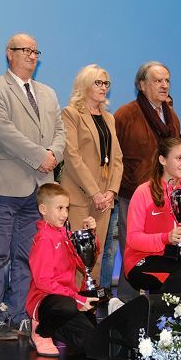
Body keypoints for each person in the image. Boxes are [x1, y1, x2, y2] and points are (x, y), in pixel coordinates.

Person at [0, 33, 65, 340]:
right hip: (4, 187)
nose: (31, 55)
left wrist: (54, 154)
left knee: (27, 258)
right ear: (8, 53)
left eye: (34, 51)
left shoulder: (48, 92)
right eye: (24, 50)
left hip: (39, 188)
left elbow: (60, 131)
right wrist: (40, 156)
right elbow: (3, 132)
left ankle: (19, 315)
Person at [112, 61, 180, 300]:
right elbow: (114, 157)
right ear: (142, 85)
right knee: (132, 251)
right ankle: (125, 303)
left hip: (164, 197)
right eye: (157, 81)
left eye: (167, 81)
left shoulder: (171, 115)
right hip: (133, 193)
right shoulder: (125, 114)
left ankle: (156, 305)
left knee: (160, 252)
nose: (164, 85)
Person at [59, 64, 123, 284]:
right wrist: (95, 192)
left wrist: (111, 191)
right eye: (98, 82)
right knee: (78, 253)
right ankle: (74, 302)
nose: (104, 87)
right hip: (79, 195)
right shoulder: (71, 114)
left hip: (105, 198)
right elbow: (72, 156)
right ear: (84, 85)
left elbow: (117, 159)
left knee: (96, 253)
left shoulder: (109, 118)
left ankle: (90, 303)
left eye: (106, 83)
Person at [25, 183, 98, 357]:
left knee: (93, 342)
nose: (65, 214)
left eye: (67, 208)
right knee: (67, 306)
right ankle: (42, 331)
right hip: (46, 300)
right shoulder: (43, 239)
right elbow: (43, 282)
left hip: (67, 299)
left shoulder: (65, 234)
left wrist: (90, 236)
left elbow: (83, 263)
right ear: (43, 209)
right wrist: (77, 299)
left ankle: (55, 326)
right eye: (59, 208)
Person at [123, 138, 181, 294]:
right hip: (140, 259)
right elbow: (133, 238)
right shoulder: (143, 192)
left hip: (173, 258)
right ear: (162, 160)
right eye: (179, 158)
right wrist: (166, 238)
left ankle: (154, 312)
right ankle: (158, 314)